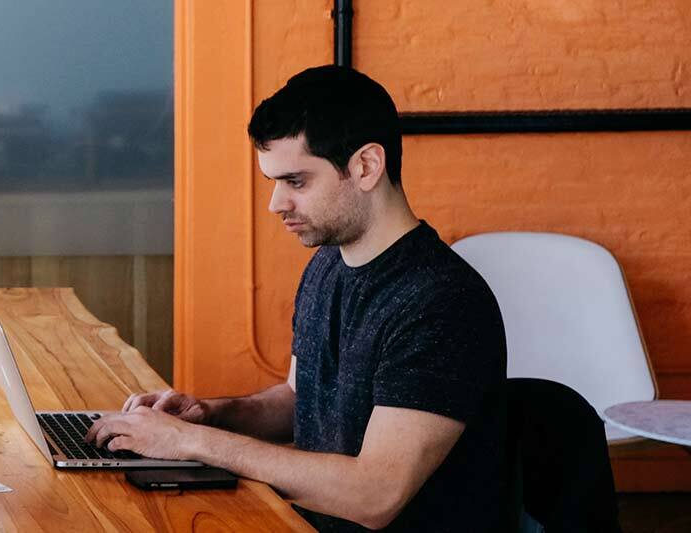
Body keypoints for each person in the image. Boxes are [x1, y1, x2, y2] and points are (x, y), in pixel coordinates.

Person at [84, 66, 507, 531]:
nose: (276, 204)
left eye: (296, 182)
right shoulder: (329, 264)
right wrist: (211, 416)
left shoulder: (441, 302)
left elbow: (375, 495)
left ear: (366, 166)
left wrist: (191, 443)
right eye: (274, 183)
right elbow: (298, 399)